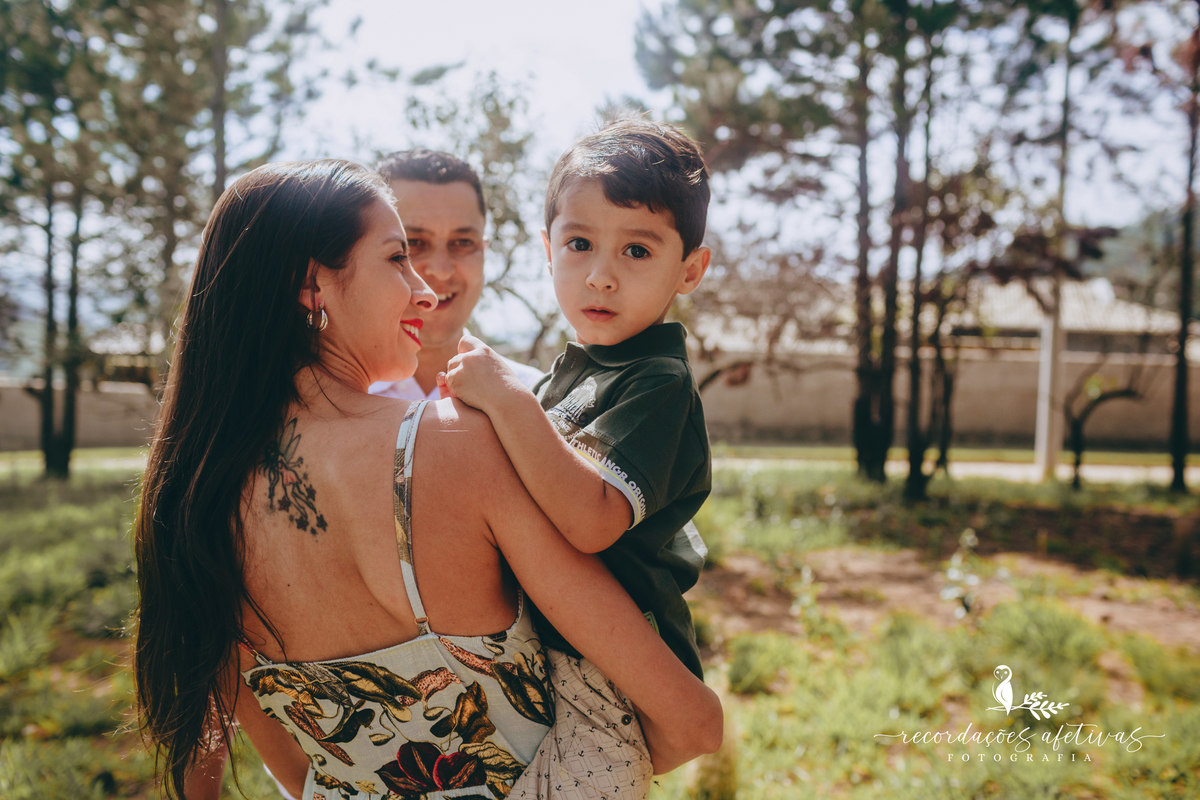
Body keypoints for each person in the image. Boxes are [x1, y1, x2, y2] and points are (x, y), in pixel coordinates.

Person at [131, 158, 722, 800]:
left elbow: (298, 774)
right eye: (396, 258)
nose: (425, 289)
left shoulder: (193, 503)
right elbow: (692, 721)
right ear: (312, 287)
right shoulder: (458, 444)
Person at [441, 119, 714, 798]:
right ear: (548, 248)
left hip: (606, 673)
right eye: (580, 243)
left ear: (691, 270)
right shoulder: (584, 370)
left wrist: (509, 402)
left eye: (637, 252)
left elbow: (591, 520)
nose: (600, 276)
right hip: (547, 648)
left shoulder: (657, 382)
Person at [368, 149, 542, 401]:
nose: (441, 269)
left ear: (484, 251)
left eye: (462, 242)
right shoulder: (315, 401)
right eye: (413, 242)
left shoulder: (537, 398)